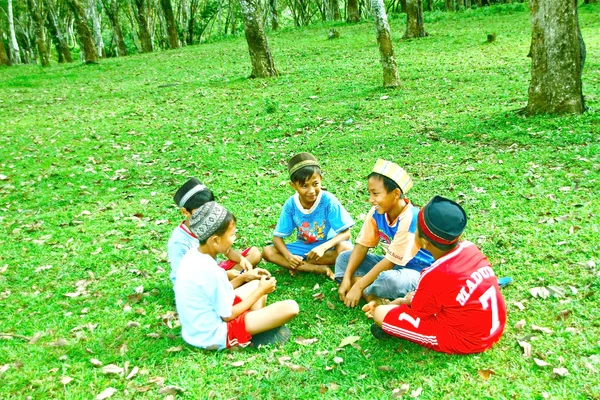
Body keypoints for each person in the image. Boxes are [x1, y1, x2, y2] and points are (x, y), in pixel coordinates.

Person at [363, 195, 507, 354]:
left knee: (381, 314)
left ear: (424, 242)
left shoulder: (435, 274)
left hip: (467, 340)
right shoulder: (470, 248)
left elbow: (418, 310)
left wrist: (399, 302)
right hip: (496, 325)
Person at [175, 202, 299, 350]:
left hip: (195, 331)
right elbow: (227, 315)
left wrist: (243, 278)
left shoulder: (193, 255)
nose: (234, 239)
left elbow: (212, 294)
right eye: (232, 234)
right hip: (213, 335)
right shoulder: (211, 270)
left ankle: (256, 326)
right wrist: (262, 290)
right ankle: (247, 334)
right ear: (215, 240)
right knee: (291, 307)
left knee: (253, 284)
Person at [336, 159, 434, 307]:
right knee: (344, 258)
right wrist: (346, 278)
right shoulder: (377, 211)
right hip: (392, 266)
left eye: (375, 193)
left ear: (395, 194)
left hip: (418, 272)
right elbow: (362, 246)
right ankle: (372, 296)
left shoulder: (410, 217)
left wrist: (357, 286)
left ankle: (367, 292)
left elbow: (390, 262)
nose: (371, 199)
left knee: (388, 281)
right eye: (369, 193)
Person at [262, 153, 355, 279]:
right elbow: (277, 238)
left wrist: (323, 247)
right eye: (304, 186)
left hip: (329, 248)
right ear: (293, 185)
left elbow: (346, 233)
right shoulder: (291, 205)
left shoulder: (328, 200)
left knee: (346, 249)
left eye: (315, 184)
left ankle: (302, 265)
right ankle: (316, 268)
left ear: (321, 179)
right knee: (268, 251)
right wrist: (289, 257)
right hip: (305, 248)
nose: (311, 191)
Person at [167, 178, 262, 285]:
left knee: (254, 253)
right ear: (185, 212)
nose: (208, 214)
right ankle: (235, 282)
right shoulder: (179, 242)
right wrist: (225, 275)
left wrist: (241, 260)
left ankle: (236, 279)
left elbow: (227, 250)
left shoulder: (210, 223)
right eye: (201, 211)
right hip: (198, 281)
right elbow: (183, 276)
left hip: (216, 270)